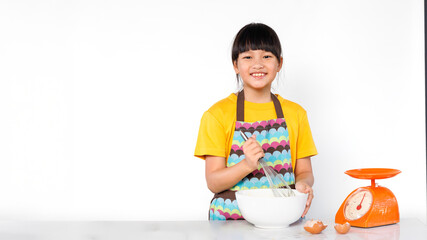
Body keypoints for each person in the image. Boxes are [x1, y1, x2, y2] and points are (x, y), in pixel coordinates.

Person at [194, 23, 317, 221]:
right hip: (231, 225)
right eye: (248, 57)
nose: (258, 64)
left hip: (282, 219)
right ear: (235, 64)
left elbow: (304, 172)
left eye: (267, 56)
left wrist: (303, 184)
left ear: (280, 63)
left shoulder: (296, 114)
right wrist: (247, 165)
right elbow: (213, 183)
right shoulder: (217, 115)